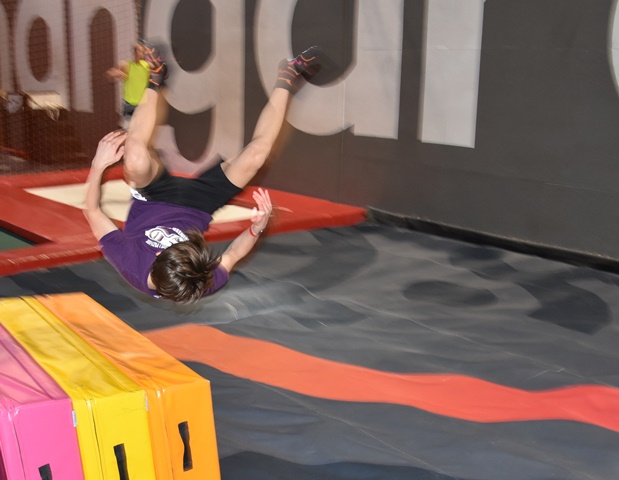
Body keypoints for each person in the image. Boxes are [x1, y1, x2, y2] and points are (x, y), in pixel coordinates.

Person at [85, 45, 322, 303]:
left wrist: (99, 165)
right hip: (199, 207)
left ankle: (155, 78)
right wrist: (257, 228)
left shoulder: (130, 263)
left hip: (152, 198)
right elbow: (233, 255)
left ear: (156, 258)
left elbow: (93, 212)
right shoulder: (200, 280)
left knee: (135, 158)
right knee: (257, 156)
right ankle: (287, 76)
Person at [106, 43, 150, 128]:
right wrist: (114, 74)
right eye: (137, 51)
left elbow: (160, 69)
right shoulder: (126, 65)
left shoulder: (147, 66)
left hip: (142, 104)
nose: (139, 53)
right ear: (134, 52)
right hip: (129, 104)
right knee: (127, 129)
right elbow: (110, 74)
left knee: (141, 129)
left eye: (141, 51)